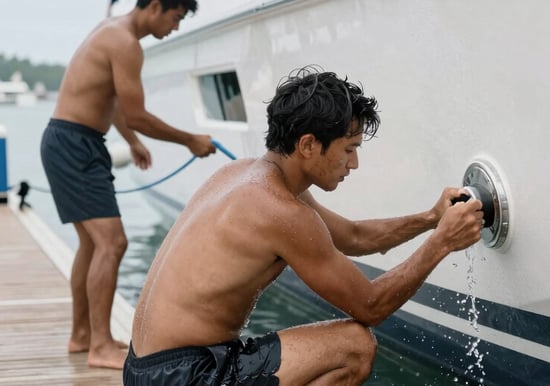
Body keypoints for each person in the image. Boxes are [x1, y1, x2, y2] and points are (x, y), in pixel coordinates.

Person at [123, 66, 484, 385]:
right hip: (185, 375)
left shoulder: (249, 177)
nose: (353, 164)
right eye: (348, 149)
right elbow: (371, 307)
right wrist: (442, 242)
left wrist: (430, 218)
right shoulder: (278, 210)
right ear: (308, 145)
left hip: (146, 369)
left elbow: (353, 237)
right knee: (354, 347)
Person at [39, 0, 215, 370]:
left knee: (91, 243)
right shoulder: (125, 43)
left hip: (73, 141)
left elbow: (114, 102)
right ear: (155, 6)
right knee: (112, 242)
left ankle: (83, 335)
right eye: (176, 17)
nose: (176, 27)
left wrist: (132, 141)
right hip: (74, 143)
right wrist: (190, 140)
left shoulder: (114, 33)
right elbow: (137, 113)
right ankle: (100, 347)